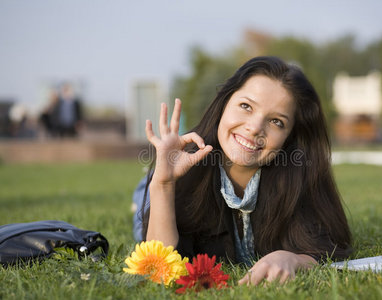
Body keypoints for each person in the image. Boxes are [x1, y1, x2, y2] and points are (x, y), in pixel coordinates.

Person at [133, 56, 352, 285]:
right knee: (144, 198)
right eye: (246, 106)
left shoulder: (298, 181)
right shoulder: (186, 175)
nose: (255, 127)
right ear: (225, 103)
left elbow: (327, 250)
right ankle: (142, 189)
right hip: (160, 188)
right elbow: (157, 270)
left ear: (289, 139)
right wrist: (163, 184)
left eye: (277, 122)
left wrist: (293, 259)